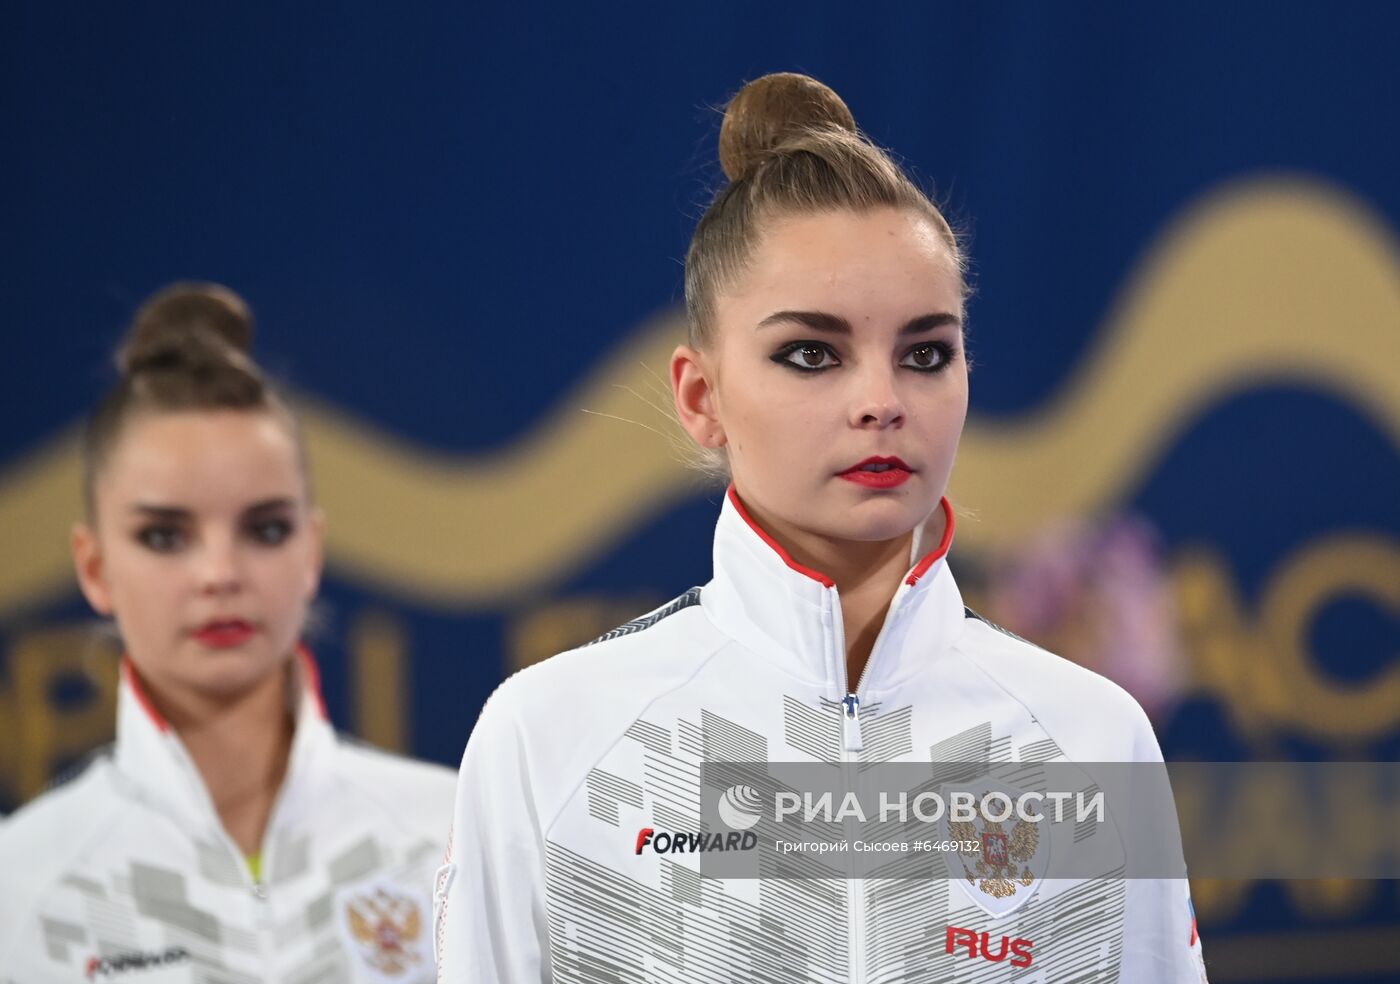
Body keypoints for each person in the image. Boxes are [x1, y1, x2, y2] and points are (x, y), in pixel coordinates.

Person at [435, 73, 1208, 983]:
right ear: (700, 396)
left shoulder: (1090, 739)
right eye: (812, 354)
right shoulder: (550, 737)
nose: (882, 402)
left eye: (926, 353)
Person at [0, 284, 456, 983]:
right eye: (164, 536)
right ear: (93, 568)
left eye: (265, 529)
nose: (219, 573)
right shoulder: (22, 888)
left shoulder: (453, 838)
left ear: (312, 550)